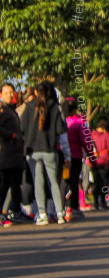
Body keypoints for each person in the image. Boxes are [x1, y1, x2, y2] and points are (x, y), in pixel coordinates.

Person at [20, 81, 70, 225]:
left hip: (32, 151)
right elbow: (62, 133)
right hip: (50, 150)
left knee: (38, 182)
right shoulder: (55, 107)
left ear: (36, 92)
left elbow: (21, 129)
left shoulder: (29, 107)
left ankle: (42, 214)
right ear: (49, 92)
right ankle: (60, 213)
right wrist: (67, 155)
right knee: (53, 182)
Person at [0, 82, 28, 225]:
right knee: (4, 185)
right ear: (1, 95)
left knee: (16, 184)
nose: (10, 95)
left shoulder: (12, 110)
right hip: (6, 154)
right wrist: (11, 136)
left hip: (16, 154)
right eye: (6, 92)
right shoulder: (2, 110)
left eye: (12, 92)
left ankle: (16, 211)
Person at [61, 98, 88, 220]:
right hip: (75, 157)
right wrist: (90, 154)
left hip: (62, 157)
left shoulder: (60, 121)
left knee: (63, 182)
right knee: (74, 182)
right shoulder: (78, 122)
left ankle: (61, 208)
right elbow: (85, 141)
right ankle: (74, 208)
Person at [91, 120, 109, 210]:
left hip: (93, 162)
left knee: (96, 182)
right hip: (104, 162)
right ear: (105, 128)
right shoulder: (106, 136)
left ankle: (95, 203)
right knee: (104, 182)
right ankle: (102, 202)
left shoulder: (91, 135)